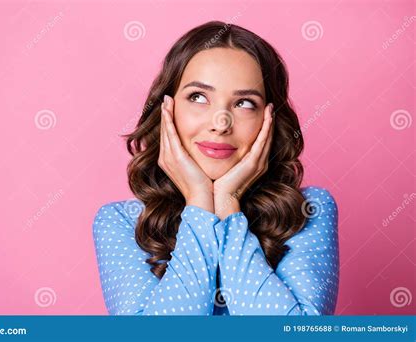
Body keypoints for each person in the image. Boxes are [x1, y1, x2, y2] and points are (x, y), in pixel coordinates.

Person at [93, 21, 339, 315]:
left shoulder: (309, 211)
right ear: (166, 109)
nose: (220, 123)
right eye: (198, 97)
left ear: (269, 119)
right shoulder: (120, 222)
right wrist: (199, 202)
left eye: (245, 103)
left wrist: (228, 202)